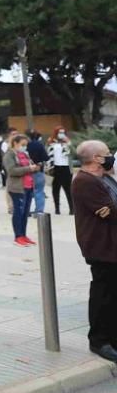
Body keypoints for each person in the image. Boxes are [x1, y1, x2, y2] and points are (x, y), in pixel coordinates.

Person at [71, 141, 117, 362]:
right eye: (107, 154)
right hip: (102, 247)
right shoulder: (84, 181)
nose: (111, 157)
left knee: (113, 295)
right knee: (103, 294)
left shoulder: (104, 178)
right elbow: (109, 213)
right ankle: (99, 341)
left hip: (112, 246)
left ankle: (112, 337)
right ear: (97, 158)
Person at [4, 133, 39, 247]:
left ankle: (24, 235)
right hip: (17, 188)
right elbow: (12, 170)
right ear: (15, 143)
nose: (25, 146)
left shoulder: (24, 154)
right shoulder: (9, 155)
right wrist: (28, 168)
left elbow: (30, 166)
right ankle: (18, 236)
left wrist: (35, 168)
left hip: (28, 186)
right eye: (22, 144)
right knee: (18, 212)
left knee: (25, 213)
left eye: (26, 145)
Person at [49, 127, 74, 215]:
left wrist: (69, 143)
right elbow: (47, 154)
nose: (61, 134)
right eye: (60, 132)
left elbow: (74, 153)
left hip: (66, 167)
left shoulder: (68, 142)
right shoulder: (51, 142)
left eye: (63, 132)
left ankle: (72, 209)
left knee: (68, 189)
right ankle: (57, 209)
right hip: (56, 167)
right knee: (55, 188)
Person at [27, 131, 49, 215]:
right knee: (39, 191)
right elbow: (46, 157)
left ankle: (27, 211)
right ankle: (39, 210)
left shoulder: (24, 145)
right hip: (38, 170)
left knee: (27, 192)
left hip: (26, 171)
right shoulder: (39, 145)